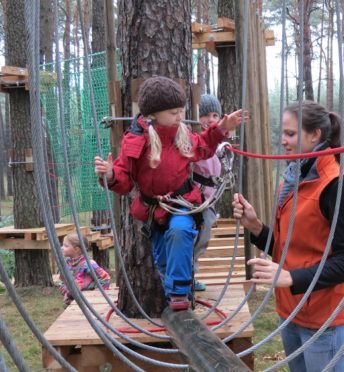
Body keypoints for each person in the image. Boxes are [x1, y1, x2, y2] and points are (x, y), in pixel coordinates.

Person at [232, 100, 344, 371]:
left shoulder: (337, 185)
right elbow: (291, 247)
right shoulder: (293, 179)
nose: (283, 141)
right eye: (283, 133)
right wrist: (256, 227)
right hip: (290, 313)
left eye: (291, 134)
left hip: (323, 320)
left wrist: (291, 278)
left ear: (315, 135)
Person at [94, 76, 245, 311]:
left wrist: (222, 128)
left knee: (180, 231)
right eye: (174, 112)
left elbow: (204, 146)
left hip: (183, 201)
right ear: (153, 114)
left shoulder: (182, 134)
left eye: (181, 110)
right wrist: (112, 175)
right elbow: (125, 179)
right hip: (154, 209)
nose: (180, 116)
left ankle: (179, 295)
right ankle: (171, 289)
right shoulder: (136, 140)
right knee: (163, 258)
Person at [191, 94, 223, 291]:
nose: (210, 120)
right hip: (194, 198)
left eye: (214, 115)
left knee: (203, 239)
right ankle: (187, 277)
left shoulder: (219, 145)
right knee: (192, 237)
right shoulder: (195, 141)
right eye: (205, 116)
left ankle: (191, 275)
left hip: (209, 199)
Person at [58, 232, 111, 307]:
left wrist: (96, 295)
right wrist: (66, 291)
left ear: (76, 249)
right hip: (71, 303)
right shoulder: (66, 264)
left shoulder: (88, 264)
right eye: (63, 245)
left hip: (89, 303)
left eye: (66, 246)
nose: (62, 248)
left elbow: (105, 278)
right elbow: (62, 281)